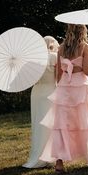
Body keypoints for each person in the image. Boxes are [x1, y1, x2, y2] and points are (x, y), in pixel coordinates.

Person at [40, 24, 88, 173]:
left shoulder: (61, 48)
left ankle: (59, 163)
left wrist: (61, 87)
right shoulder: (86, 47)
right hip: (80, 86)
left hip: (64, 87)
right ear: (83, 31)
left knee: (62, 125)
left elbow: (58, 73)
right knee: (85, 122)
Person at [22, 36, 59, 168]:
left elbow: (28, 79)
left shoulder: (33, 60)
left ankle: (38, 155)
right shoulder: (55, 57)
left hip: (37, 92)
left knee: (38, 123)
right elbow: (58, 77)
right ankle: (51, 155)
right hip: (51, 90)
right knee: (51, 124)